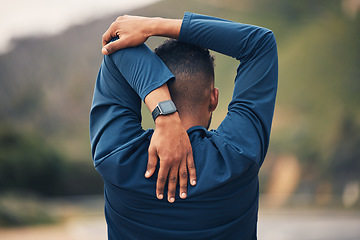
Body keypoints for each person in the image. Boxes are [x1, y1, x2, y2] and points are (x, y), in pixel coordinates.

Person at [90, 12, 278, 240]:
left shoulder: (118, 157)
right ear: (213, 98)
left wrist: (164, 112)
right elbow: (260, 43)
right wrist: (153, 26)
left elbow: (115, 45)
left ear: (144, 93)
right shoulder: (239, 154)